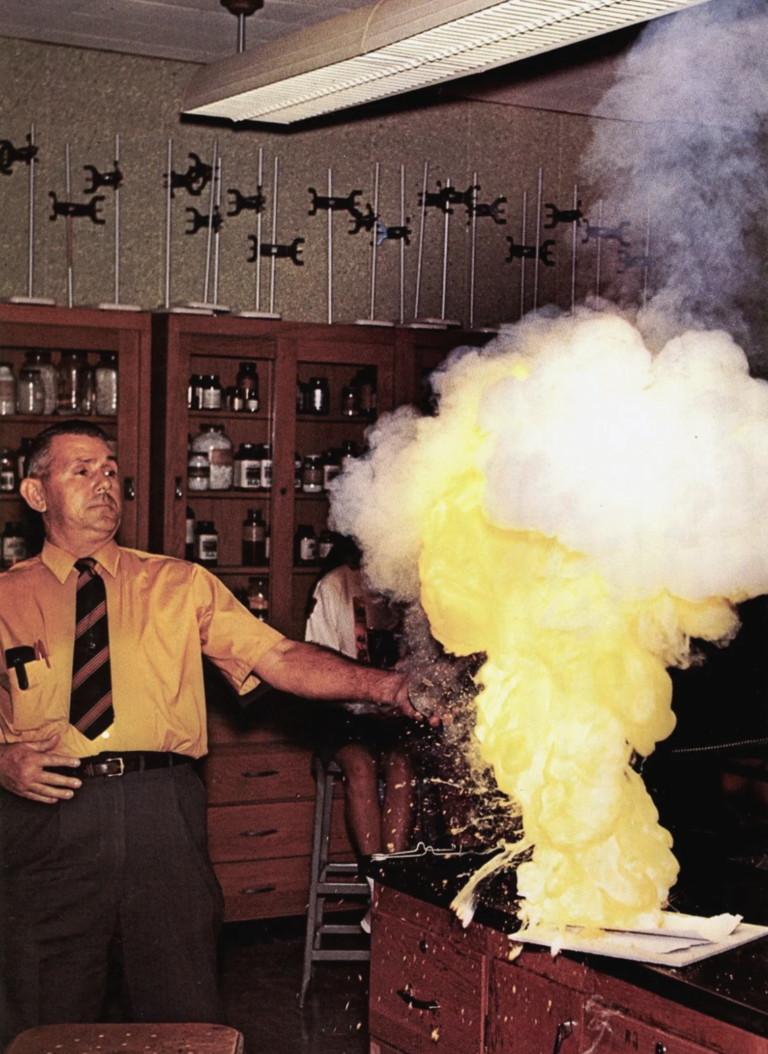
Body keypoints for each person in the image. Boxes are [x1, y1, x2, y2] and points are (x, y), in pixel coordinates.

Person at [0, 421, 440, 1048]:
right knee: (42, 1020)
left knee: (184, 1013)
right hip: (48, 819)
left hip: (163, 817)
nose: (105, 482)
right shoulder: (6, 598)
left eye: (110, 469)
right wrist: (1, 760)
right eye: (82, 469)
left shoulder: (179, 585)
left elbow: (282, 657)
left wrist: (389, 688)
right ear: (36, 494)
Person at [305, 539, 415, 866]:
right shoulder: (334, 585)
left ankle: (392, 882)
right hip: (340, 716)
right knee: (360, 766)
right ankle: (375, 886)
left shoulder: (407, 588)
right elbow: (316, 671)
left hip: (394, 719)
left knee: (402, 767)